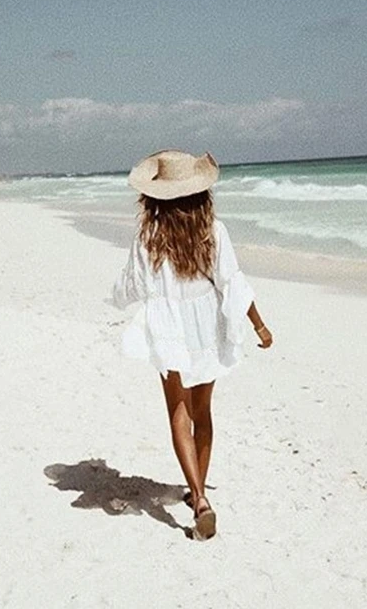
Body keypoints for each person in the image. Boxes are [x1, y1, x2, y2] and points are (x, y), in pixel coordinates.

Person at [113, 149, 273, 541]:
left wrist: (116, 299)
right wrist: (259, 325)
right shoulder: (213, 230)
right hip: (207, 327)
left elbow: (133, 285)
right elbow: (231, 282)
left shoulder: (149, 237)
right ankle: (197, 488)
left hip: (170, 327)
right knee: (203, 411)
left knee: (178, 412)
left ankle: (199, 497)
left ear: (153, 196)